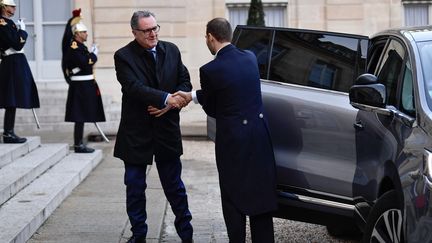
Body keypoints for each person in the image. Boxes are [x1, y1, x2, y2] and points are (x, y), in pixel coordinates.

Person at [174, 17, 278, 243]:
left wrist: (193, 97)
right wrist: (192, 96)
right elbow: (232, 89)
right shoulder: (250, 58)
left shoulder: (210, 69)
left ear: (211, 37)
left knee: (233, 198)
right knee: (260, 196)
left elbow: (212, 106)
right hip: (259, 137)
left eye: (205, 37)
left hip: (233, 142)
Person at [113, 10, 193, 243]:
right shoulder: (123, 56)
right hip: (136, 133)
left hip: (166, 129)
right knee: (135, 187)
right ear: (135, 32)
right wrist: (167, 98)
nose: (152, 34)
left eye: (155, 28)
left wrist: (169, 104)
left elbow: (185, 80)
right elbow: (132, 87)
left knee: (175, 188)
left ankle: (187, 236)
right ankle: (138, 235)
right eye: (146, 30)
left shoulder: (172, 50)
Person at [62, 17, 105, 153]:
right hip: (80, 86)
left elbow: (87, 62)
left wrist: (91, 55)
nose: (86, 34)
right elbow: (84, 62)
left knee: (83, 114)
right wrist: (94, 55)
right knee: (79, 115)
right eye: (84, 32)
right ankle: (78, 144)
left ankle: (79, 143)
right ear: (77, 34)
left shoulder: (81, 47)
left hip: (86, 84)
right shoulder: (74, 46)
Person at [0, 0, 39, 143]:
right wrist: (22, 31)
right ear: (4, 7)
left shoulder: (9, 23)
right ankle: (8, 133)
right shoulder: (2, 23)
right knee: (11, 99)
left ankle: (9, 132)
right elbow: (17, 44)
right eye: (11, 6)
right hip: (12, 63)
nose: (14, 7)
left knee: (13, 99)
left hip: (15, 62)